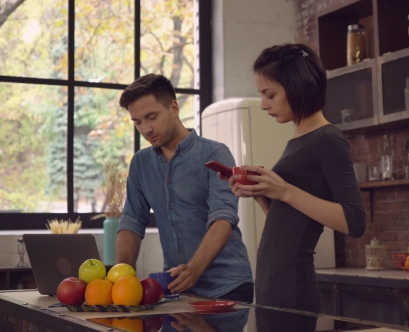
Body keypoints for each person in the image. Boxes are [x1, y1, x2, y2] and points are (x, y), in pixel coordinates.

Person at [222, 43, 366, 312]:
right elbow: (289, 222)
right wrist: (262, 193)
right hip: (273, 288)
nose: (264, 105)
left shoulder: (328, 138)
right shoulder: (298, 139)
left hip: (292, 291)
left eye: (270, 95)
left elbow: (355, 221)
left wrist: (285, 191)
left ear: (297, 86)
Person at [116, 74, 253, 302]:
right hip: (176, 290)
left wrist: (194, 269)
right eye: (138, 122)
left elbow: (223, 218)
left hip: (228, 288)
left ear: (174, 107)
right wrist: (119, 277)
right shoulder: (140, 163)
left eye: (152, 117)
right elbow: (132, 221)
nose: (146, 129)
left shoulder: (215, 154)